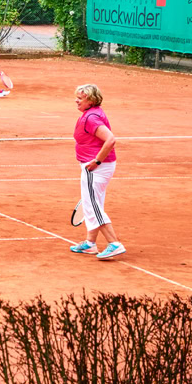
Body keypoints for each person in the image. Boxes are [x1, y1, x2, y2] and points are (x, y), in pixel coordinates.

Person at [69, 83, 126, 259]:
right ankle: (90, 243)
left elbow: (110, 140)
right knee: (93, 203)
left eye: (80, 98)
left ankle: (113, 243)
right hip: (97, 167)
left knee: (92, 207)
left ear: (90, 100)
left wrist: (96, 160)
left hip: (96, 168)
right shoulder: (93, 113)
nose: (76, 101)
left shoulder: (91, 118)